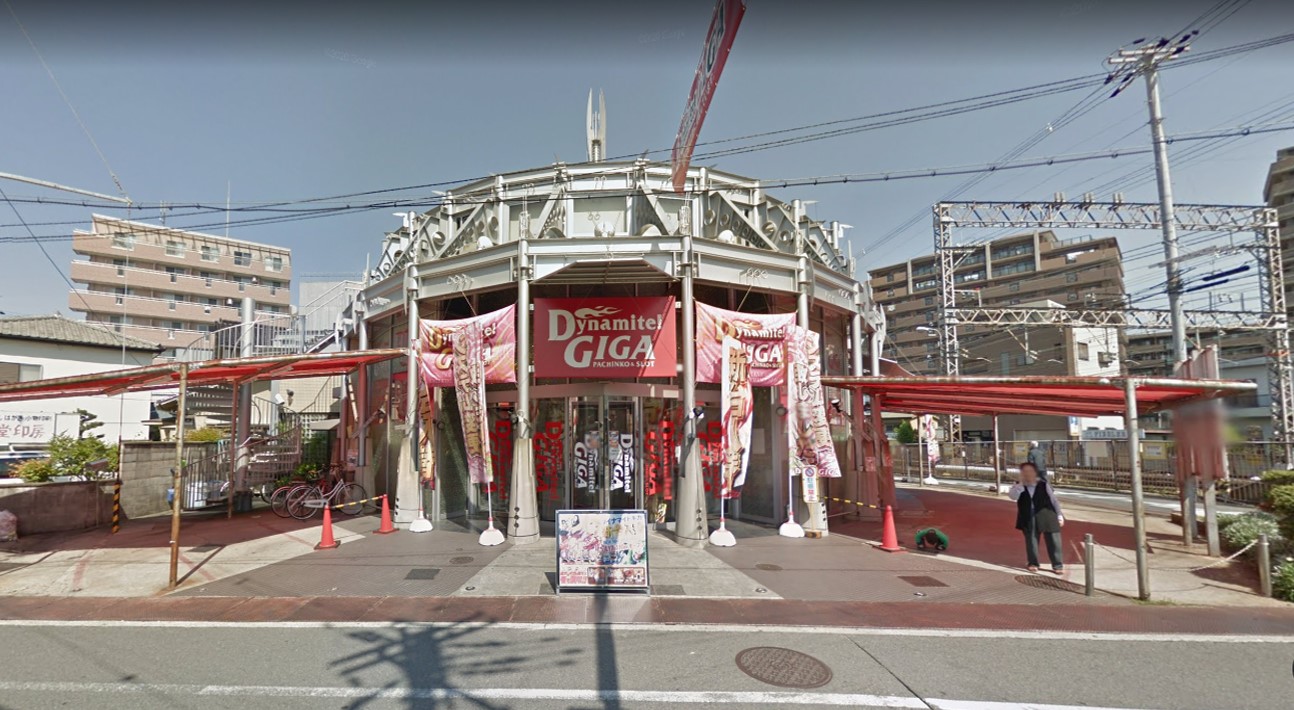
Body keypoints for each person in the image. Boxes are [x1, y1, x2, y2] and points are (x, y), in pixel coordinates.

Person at [1008, 461, 1064, 573]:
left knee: (1054, 540)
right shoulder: (1018, 485)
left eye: (1030, 471)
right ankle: (1033, 563)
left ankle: (1057, 565)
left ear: (1035, 472)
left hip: (1047, 514)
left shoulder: (1043, 484)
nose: (1028, 474)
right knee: (1031, 539)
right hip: (1028, 515)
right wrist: (1020, 486)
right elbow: (1013, 497)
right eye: (1025, 471)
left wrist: (1059, 515)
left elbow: (1054, 500)